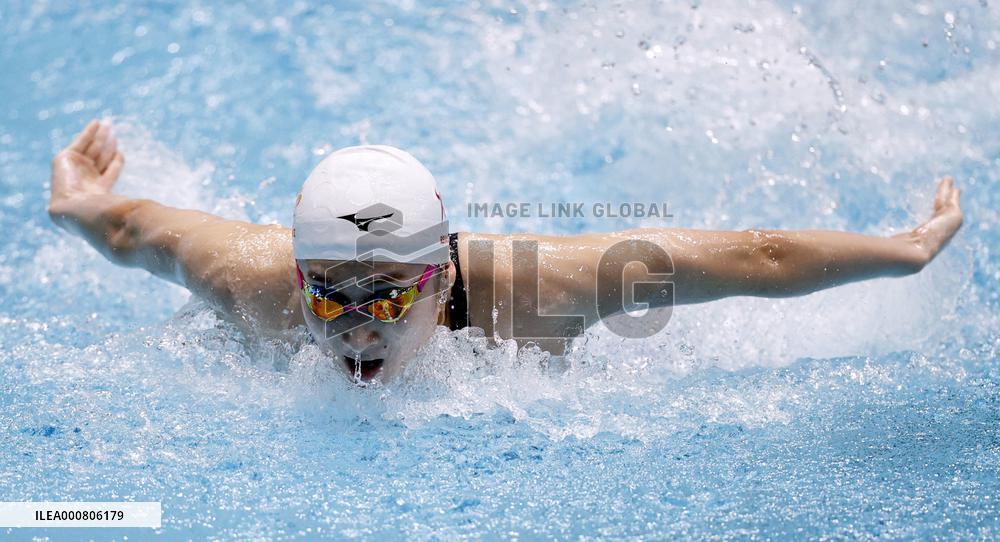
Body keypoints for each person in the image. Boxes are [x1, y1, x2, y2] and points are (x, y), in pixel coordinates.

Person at [48, 120, 964, 382]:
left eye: (391, 293)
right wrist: (78, 199)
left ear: (442, 268)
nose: (354, 328)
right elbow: (137, 231)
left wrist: (905, 249)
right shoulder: (248, 280)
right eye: (328, 293)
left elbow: (754, 257)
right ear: (295, 273)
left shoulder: (540, 293)